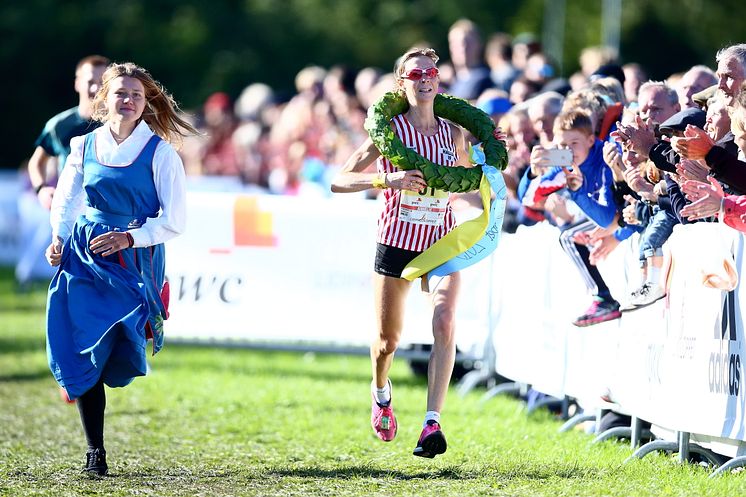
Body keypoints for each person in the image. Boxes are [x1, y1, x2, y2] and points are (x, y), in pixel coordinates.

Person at [45, 62, 197, 476]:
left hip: (133, 261)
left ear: (146, 103)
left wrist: (130, 238)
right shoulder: (83, 145)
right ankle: (96, 449)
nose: (127, 101)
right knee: (83, 344)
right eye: (120, 93)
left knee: (118, 348)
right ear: (104, 98)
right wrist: (58, 237)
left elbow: (175, 219)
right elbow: (67, 196)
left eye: (136, 95)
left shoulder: (161, 153)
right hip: (85, 254)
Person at [330, 47, 472, 458]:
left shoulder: (453, 132)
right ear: (402, 83)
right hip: (396, 242)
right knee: (387, 341)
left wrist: (487, 204)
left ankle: (432, 423)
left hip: (440, 242)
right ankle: (380, 392)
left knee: (445, 321)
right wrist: (386, 179)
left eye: (432, 71)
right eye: (415, 74)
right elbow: (341, 180)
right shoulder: (388, 131)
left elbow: (467, 183)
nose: (425, 78)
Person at [17, 55, 109, 286]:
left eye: (103, 81)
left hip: (110, 212)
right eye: (90, 80)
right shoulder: (59, 125)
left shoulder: (120, 124)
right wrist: (41, 189)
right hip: (71, 213)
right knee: (73, 280)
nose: (96, 87)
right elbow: (36, 162)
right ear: (77, 83)